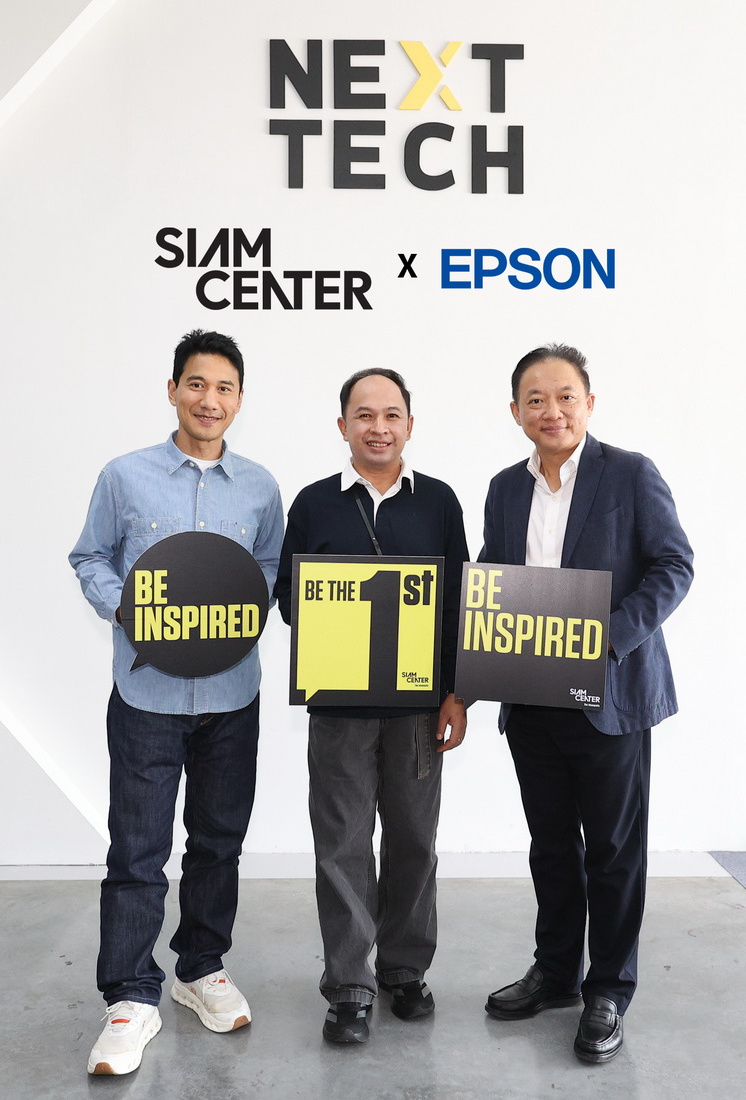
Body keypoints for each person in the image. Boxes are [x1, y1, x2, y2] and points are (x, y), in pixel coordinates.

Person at [68, 329, 284, 1076]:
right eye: (196, 384)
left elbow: (268, 569)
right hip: (147, 693)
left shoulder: (260, 488)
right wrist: (126, 609)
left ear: (239, 400)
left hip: (232, 692)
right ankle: (130, 996)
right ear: (172, 391)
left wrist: (240, 614)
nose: (209, 399)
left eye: (224, 388)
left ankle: (201, 967)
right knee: (138, 849)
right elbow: (89, 557)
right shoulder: (124, 477)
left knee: (218, 841)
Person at [478, 344, 693, 1064]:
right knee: (551, 847)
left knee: (613, 851)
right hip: (531, 697)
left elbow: (674, 566)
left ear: (589, 403)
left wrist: (610, 638)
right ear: (516, 412)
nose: (552, 410)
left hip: (610, 694)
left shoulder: (630, 473)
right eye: (536, 399)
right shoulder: (505, 489)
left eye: (565, 396)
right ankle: (556, 973)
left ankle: (609, 989)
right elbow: (494, 576)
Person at [272, 368, 469, 1045]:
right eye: (364, 415)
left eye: (391, 415)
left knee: (414, 840)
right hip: (340, 707)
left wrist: (456, 693)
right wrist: (348, 613)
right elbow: (290, 598)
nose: (378, 427)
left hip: (418, 707)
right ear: (342, 426)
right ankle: (350, 986)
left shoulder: (438, 501)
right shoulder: (313, 502)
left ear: (409, 424)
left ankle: (404, 970)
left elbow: (458, 605)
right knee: (342, 845)